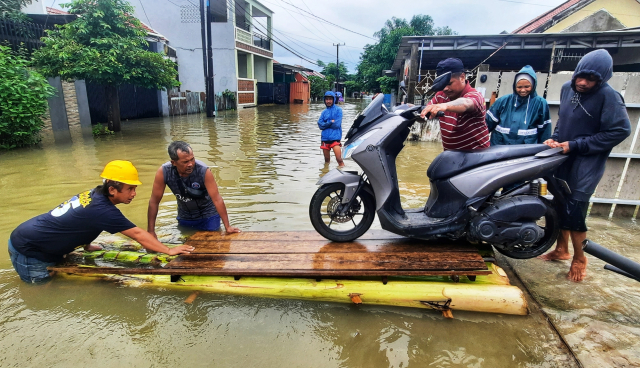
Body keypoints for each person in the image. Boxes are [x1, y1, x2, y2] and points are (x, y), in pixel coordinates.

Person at [8, 160, 195, 283]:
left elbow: (82, 221)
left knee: (57, 276)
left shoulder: (95, 194)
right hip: (28, 248)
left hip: (33, 235)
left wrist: (87, 246)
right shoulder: (103, 210)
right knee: (43, 289)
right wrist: (169, 250)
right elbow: (138, 234)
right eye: (130, 189)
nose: (134, 194)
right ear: (112, 189)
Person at [540, 49, 631, 282]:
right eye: (579, 76)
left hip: (587, 161)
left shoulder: (609, 97)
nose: (582, 82)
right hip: (563, 154)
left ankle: (580, 258)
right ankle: (562, 249)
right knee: (560, 202)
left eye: (590, 79)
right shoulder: (566, 89)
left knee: (576, 208)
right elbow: (563, 120)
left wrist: (576, 145)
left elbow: (620, 130)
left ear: (602, 79)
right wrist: (555, 138)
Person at [148, 141, 241, 237]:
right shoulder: (164, 172)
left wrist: (227, 227)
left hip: (208, 216)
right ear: (173, 163)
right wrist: (151, 231)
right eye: (185, 162)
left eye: (192, 159)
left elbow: (217, 199)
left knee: (212, 244)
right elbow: (154, 202)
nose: (190, 164)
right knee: (187, 245)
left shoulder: (203, 171)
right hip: (185, 216)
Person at [420, 58, 490, 150]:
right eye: (442, 84)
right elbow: (427, 110)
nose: (445, 88)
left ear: (462, 77)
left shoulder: (475, 96)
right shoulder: (440, 96)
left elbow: (466, 103)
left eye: (449, 83)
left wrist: (444, 106)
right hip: (452, 157)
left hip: (477, 157)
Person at [486, 65, 552, 146]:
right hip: (500, 149)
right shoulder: (503, 101)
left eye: (527, 86)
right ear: (514, 86)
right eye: (519, 87)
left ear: (533, 85)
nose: (523, 90)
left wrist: (544, 150)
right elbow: (486, 125)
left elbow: (545, 132)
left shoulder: (540, 103)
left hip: (525, 152)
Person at [318, 91, 345, 167]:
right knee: (326, 162)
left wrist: (326, 123)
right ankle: (325, 174)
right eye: (327, 99)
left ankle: (342, 175)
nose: (328, 101)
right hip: (325, 139)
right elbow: (320, 125)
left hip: (335, 139)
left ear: (333, 100)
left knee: (339, 160)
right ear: (324, 100)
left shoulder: (338, 110)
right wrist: (330, 122)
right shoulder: (324, 112)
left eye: (330, 99)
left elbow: (337, 124)